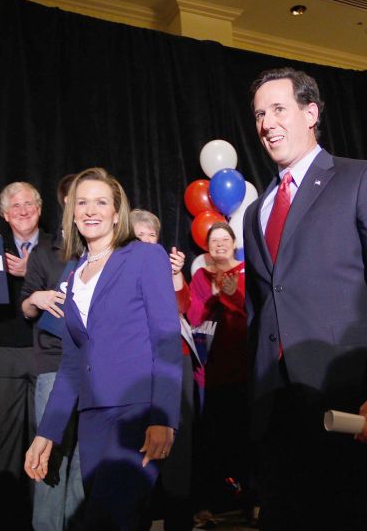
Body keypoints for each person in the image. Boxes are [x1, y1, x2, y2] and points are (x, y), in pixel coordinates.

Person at [242, 67, 367, 529]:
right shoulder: (255, 212)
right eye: (260, 114)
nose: (267, 123)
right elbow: (260, 310)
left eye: (279, 109)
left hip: (357, 405)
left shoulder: (361, 178)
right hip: (280, 417)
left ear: (311, 113)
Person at [25, 167, 182, 530]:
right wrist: (47, 432)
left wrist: (163, 417)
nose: (90, 210)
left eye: (100, 202)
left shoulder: (145, 256)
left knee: (109, 518)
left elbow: (166, 340)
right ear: (72, 212)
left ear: (116, 212)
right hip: (93, 419)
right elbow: (71, 363)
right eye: (82, 203)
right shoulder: (73, 274)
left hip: (137, 414)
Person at [0, 181, 53, 529]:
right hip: (5, 351)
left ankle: (45, 521)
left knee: (47, 440)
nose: (23, 211)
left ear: (39, 209)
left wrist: (32, 271)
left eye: (29, 204)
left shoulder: (59, 246)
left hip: (48, 352)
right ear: (5, 214)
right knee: (0, 440)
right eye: (15, 206)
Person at [19, 173, 85, 531]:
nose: (87, 207)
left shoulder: (105, 252)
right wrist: (36, 298)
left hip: (95, 366)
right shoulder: (45, 253)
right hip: (54, 363)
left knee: (85, 456)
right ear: (66, 202)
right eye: (80, 198)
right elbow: (25, 308)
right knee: (50, 452)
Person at [182, 221, 253, 525]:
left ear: (234, 243)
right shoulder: (201, 276)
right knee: (209, 443)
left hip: (245, 370)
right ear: (207, 248)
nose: (220, 244)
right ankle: (204, 507)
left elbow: (255, 315)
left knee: (247, 438)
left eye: (225, 239)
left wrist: (234, 295)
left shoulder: (248, 272)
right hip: (210, 373)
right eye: (214, 241)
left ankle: (253, 502)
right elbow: (194, 317)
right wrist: (213, 295)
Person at [130, 208, 195, 531]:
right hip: (136, 363)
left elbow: (183, 307)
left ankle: (178, 519)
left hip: (174, 360)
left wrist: (175, 274)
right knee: (137, 443)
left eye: (151, 235)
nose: (145, 240)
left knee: (178, 443)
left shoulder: (167, 269)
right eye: (138, 235)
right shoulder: (118, 269)